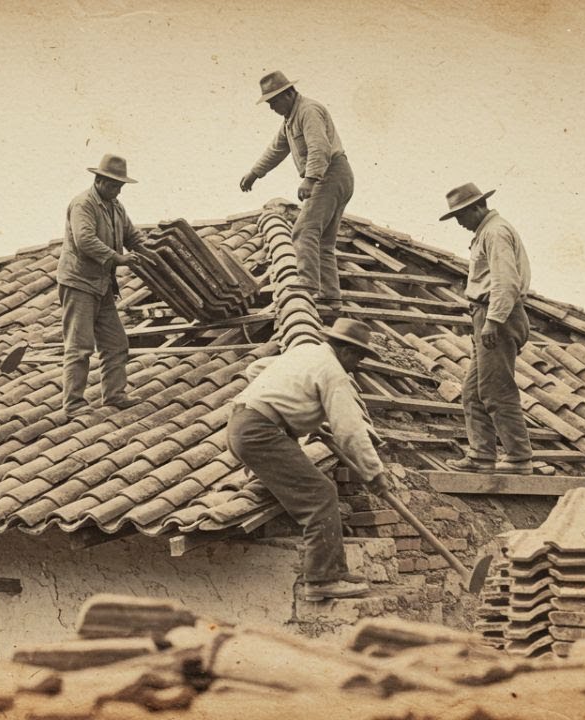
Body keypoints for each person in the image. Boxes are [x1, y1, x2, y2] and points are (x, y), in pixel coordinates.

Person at [229, 319, 390, 601]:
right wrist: (374, 473)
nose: (358, 364)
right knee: (320, 494)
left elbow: (255, 369)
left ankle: (335, 570)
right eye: (359, 357)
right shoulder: (334, 372)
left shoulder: (304, 353)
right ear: (347, 352)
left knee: (300, 488)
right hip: (261, 433)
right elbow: (350, 429)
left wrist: (297, 409)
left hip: (241, 425)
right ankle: (321, 580)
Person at [438, 183, 538, 475]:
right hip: (487, 314)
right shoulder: (488, 231)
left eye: (460, 216)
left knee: (496, 388)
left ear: (476, 208)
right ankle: (481, 455)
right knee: (473, 391)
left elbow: (505, 281)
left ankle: (519, 457)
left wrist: (493, 321)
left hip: (498, 316)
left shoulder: (495, 232)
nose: (459, 222)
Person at [239, 71, 353, 307]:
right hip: (336, 175)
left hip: (330, 173)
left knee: (304, 230)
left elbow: (319, 146)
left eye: (273, 102)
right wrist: (254, 173)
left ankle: (308, 281)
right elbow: (276, 149)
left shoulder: (308, 111)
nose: (272, 108)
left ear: (288, 94)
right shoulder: (290, 119)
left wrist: (310, 178)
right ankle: (331, 295)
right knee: (323, 242)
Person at [58, 153, 155, 418]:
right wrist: (118, 258)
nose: (118, 189)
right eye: (114, 184)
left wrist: (151, 252)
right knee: (79, 346)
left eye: (121, 185)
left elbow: (132, 235)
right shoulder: (83, 204)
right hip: (79, 283)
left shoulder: (116, 206)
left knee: (115, 342)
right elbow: (84, 240)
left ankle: (115, 394)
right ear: (99, 180)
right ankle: (73, 404)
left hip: (102, 285)